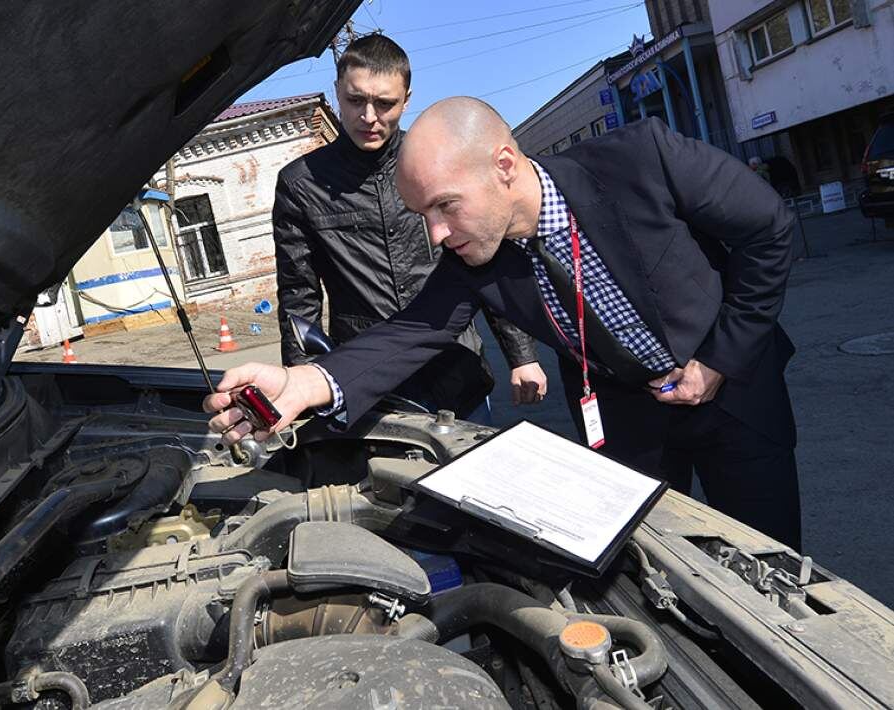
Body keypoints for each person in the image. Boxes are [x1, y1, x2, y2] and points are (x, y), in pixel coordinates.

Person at [207, 97, 802, 550]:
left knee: (766, 569)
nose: (437, 233)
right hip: (628, 425)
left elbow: (768, 229)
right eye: (423, 215)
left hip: (738, 400)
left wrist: (720, 359)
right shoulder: (476, 255)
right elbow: (414, 330)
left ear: (504, 165)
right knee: (655, 569)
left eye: (445, 205)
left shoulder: (642, 158)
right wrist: (305, 383)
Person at [272, 34, 545, 419]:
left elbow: (486, 252)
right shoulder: (301, 185)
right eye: (355, 100)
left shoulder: (437, 164)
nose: (369, 117)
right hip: (370, 381)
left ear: (407, 99)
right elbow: (299, 295)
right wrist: (300, 382)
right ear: (336, 91)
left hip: (456, 367)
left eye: (385, 104)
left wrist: (521, 355)